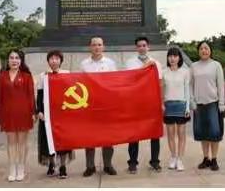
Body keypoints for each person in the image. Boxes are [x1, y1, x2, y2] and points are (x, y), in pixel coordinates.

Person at [79, 36, 118, 177]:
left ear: (103, 47)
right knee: (90, 136)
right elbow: (80, 84)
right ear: (90, 47)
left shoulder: (110, 63)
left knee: (108, 136)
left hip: (106, 105)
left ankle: (108, 165)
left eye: (99, 44)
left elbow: (115, 83)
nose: (96, 47)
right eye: (94, 44)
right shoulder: (84, 64)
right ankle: (90, 166)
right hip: (89, 104)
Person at [0, 49, 36, 182]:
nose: (14, 60)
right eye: (11, 58)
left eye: (17, 58)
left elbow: (31, 96)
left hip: (24, 113)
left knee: (22, 143)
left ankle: (21, 168)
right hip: (8, 113)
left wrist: (33, 112)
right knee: (11, 142)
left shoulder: (27, 76)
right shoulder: (2, 76)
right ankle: (12, 168)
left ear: (21, 60)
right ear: (8, 60)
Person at [125, 36, 163, 174]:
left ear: (148, 47)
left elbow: (159, 84)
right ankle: (133, 163)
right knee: (134, 134)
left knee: (154, 133)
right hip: (135, 103)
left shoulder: (156, 63)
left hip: (151, 102)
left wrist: (161, 102)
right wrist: (145, 67)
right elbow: (130, 80)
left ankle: (155, 162)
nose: (142, 48)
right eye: (139, 45)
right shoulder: (130, 63)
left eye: (144, 45)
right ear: (136, 48)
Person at [37, 49, 73, 179]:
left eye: (57, 58)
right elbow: (40, 95)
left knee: (62, 140)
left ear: (61, 61)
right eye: (51, 58)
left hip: (62, 113)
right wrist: (39, 111)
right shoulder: (43, 76)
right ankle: (51, 165)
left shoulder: (67, 74)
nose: (54, 61)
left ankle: (63, 166)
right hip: (47, 114)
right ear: (48, 61)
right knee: (48, 140)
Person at [190, 41, 225, 171]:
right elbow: (190, 85)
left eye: (206, 48)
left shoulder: (216, 65)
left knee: (214, 133)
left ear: (210, 50)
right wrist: (192, 101)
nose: (204, 50)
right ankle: (206, 158)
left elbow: (220, 85)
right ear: (198, 51)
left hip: (213, 103)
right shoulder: (194, 66)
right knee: (202, 133)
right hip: (199, 104)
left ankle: (214, 159)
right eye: (201, 48)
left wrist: (222, 103)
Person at [162, 46, 190, 171]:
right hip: (168, 105)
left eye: (175, 56)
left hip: (181, 105)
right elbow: (162, 90)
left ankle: (180, 159)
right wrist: (162, 104)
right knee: (170, 134)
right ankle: (173, 157)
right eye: (170, 56)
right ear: (167, 58)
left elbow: (187, 90)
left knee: (181, 134)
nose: (172, 58)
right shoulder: (164, 72)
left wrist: (188, 107)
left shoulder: (185, 71)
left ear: (179, 58)